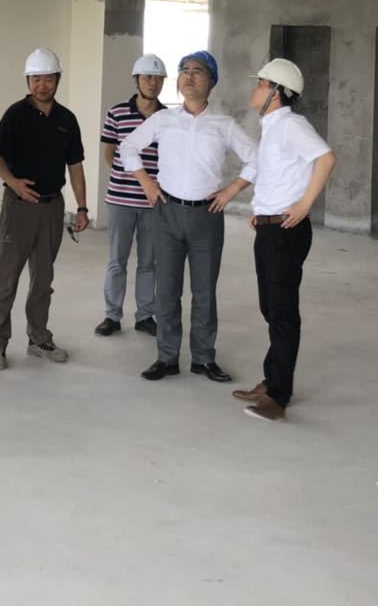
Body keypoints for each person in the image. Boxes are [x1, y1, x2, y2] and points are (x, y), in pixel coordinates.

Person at [119, 51, 256, 384]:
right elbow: (128, 147)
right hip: (167, 213)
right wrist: (146, 181)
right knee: (167, 290)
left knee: (204, 292)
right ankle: (166, 357)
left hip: (207, 217)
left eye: (198, 71)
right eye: (184, 71)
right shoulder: (164, 120)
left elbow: (257, 157)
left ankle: (203, 358)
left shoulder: (223, 125)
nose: (189, 76)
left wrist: (231, 190)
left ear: (211, 82)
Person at [233, 58, 336, 423]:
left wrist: (304, 205)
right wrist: (261, 210)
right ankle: (271, 379)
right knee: (271, 308)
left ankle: (278, 396)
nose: (255, 88)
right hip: (270, 228)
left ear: (276, 92)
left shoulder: (292, 125)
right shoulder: (272, 127)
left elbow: (326, 159)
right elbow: (279, 175)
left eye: (261, 83)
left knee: (282, 313)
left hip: (286, 233)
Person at [0, 47, 89, 369]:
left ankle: (39, 338)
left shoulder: (67, 119)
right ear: (28, 81)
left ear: (58, 79)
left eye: (48, 79)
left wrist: (82, 207)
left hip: (52, 207)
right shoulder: (15, 114)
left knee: (43, 279)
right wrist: (13, 182)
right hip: (18, 206)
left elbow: (75, 166)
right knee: (7, 278)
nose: (42, 85)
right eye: (36, 79)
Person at [94, 53, 167, 338]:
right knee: (117, 261)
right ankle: (112, 315)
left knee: (149, 262)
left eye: (158, 78)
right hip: (121, 200)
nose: (153, 83)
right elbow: (109, 152)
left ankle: (145, 315)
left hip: (153, 202)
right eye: (148, 77)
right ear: (136, 80)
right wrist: (129, 176)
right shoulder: (117, 113)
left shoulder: (169, 118)